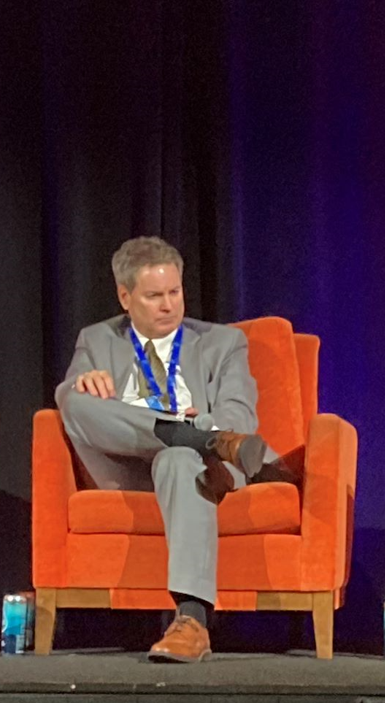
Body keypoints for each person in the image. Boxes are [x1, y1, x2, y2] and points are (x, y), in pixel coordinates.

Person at [55, 236, 281, 663]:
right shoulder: (96, 339)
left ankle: (191, 621)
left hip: (201, 466)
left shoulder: (222, 342)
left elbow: (240, 414)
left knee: (178, 458)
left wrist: (210, 426)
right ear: (125, 297)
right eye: (154, 296)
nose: (169, 306)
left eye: (174, 292)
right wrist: (82, 383)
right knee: (71, 399)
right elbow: (76, 406)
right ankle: (186, 433)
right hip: (126, 465)